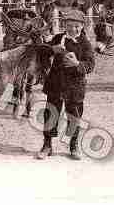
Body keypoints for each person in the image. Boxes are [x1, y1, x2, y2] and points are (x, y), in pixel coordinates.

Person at [37, 9, 95, 160]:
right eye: (69, 25)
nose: (73, 29)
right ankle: (47, 145)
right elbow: (42, 51)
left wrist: (77, 64)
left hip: (75, 87)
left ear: (82, 26)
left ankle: (73, 146)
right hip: (56, 84)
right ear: (65, 25)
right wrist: (51, 49)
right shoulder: (58, 38)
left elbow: (90, 65)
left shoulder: (85, 44)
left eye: (77, 26)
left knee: (74, 117)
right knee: (51, 114)